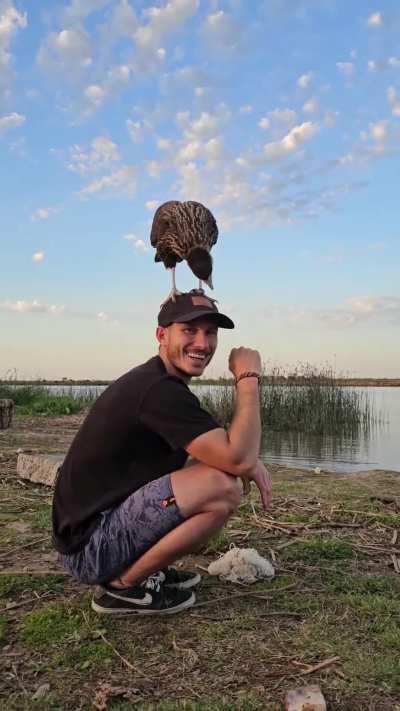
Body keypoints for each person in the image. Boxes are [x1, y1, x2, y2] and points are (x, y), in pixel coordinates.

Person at [52, 291, 272, 615]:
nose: (202, 343)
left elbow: (223, 451)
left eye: (210, 333)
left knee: (218, 472)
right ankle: (123, 588)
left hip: (92, 535)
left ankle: (144, 568)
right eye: (189, 330)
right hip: (90, 547)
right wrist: (248, 378)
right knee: (224, 488)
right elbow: (237, 459)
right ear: (161, 334)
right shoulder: (158, 390)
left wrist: (245, 460)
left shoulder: (159, 382)